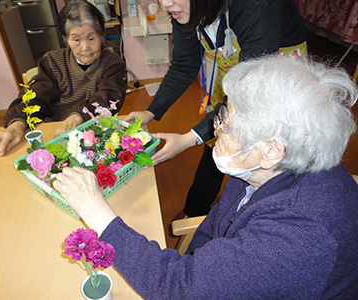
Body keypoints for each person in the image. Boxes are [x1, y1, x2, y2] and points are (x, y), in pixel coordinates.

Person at [53, 56, 358, 299]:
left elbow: (179, 288)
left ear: (270, 151)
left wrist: (96, 212)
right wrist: (197, 266)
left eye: (226, 120)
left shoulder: (297, 238)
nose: (217, 126)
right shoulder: (262, 170)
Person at [125, 0, 308, 220]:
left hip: (275, 76)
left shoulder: (258, 5)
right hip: (238, 75)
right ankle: (196, 209)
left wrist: (189, 138)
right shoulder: (183, 8)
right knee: (217, 139)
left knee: (264, 155)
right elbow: (184, 64)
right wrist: (151, 112)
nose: (165, 3)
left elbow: (248, 92)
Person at [0, 0, 126, 157]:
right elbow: (36, 96)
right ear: (66, 39)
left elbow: (107, 99)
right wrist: (18, 122)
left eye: (91, 38)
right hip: (54, 134)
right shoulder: (52, 62)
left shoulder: (112, 64)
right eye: (76, 40)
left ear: (102, 36)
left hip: (94, 133)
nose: (85, 48)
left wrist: (78, 116)